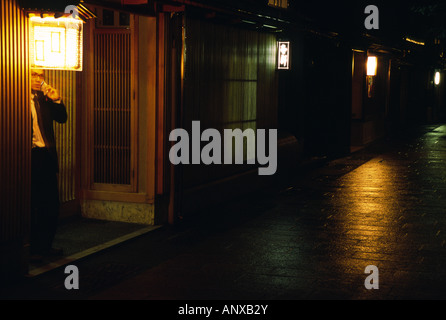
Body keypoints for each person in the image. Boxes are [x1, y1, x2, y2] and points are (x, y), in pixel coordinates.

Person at [30, 68, 67, 262]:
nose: (38, 79)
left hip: (45, 155)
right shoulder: (15, 98)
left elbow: (62, 119)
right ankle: (31, 247)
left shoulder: (43, 98)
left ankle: (45, 246)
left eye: (41, 75)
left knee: (50, 204)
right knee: (30, 204)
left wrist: (56, 99)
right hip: (27, 156)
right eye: (33, 75)